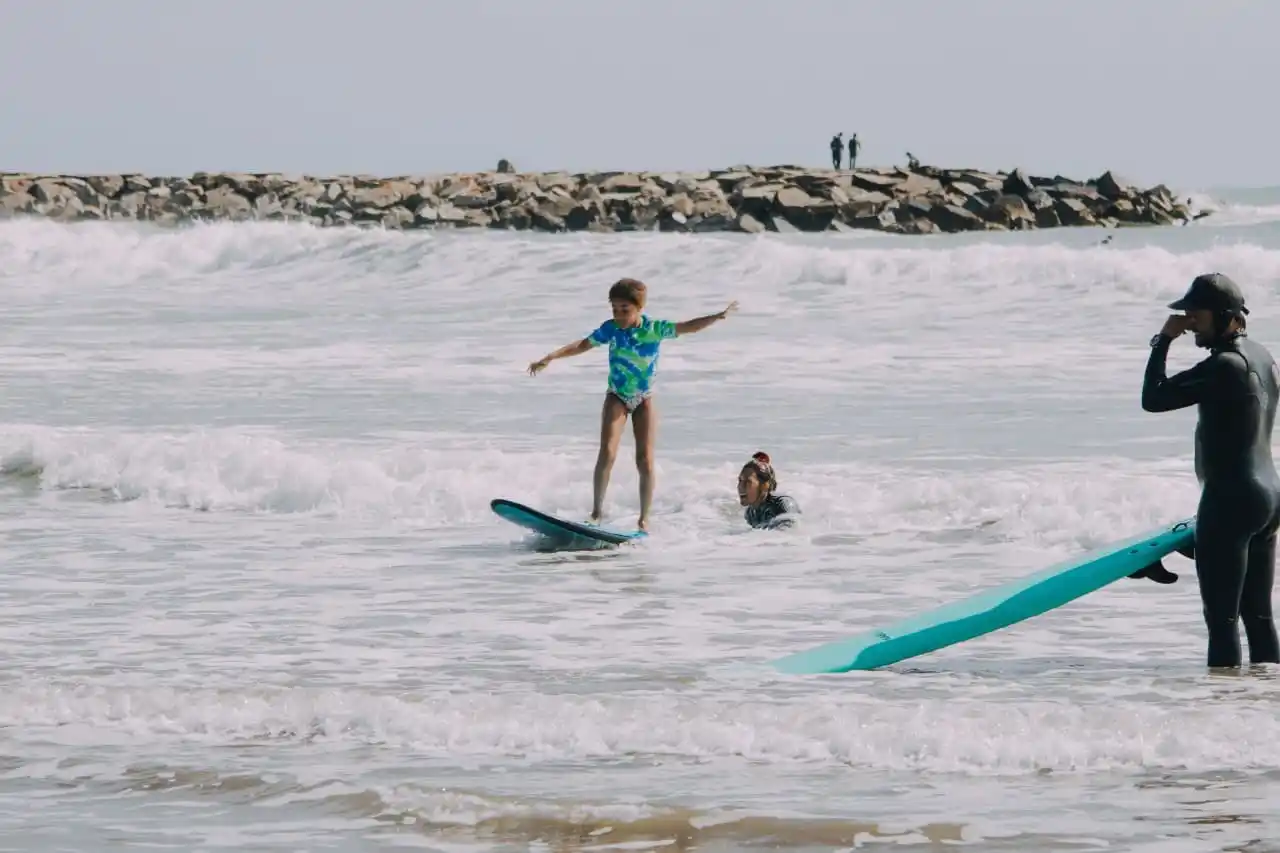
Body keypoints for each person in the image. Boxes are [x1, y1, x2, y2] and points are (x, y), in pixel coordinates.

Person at [1136, 272, 1280, 668]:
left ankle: (1223, 711)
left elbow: (1154, 398)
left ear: (1228, 317)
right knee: (1259, 618)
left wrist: (1163, 340)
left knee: (1222, 622)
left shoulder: (1222, 367)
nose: (1189, 320)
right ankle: (1263, 704)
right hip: (1267, 498)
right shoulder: (1263, 356)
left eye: (1196, 314)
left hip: (1231, 499)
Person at [528, 278, 737, 531]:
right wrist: (551, 357)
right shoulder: (611, 329)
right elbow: (583, 344)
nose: (618, 315)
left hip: (644, 398)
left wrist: (717, 317)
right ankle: (596, 513)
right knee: (607, 452)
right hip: (616, 395)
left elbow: (687, 327)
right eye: (614, 309)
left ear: (639, 308)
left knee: (645, 460)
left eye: (624, 309)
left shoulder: (654, 329)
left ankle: (644, 519)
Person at [738, 451, 801, 530]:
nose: (740, 486)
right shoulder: (750, 513)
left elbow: (793, 533)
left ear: (765, 485)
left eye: (748, 482)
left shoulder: (783, 504)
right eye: (740, 481)